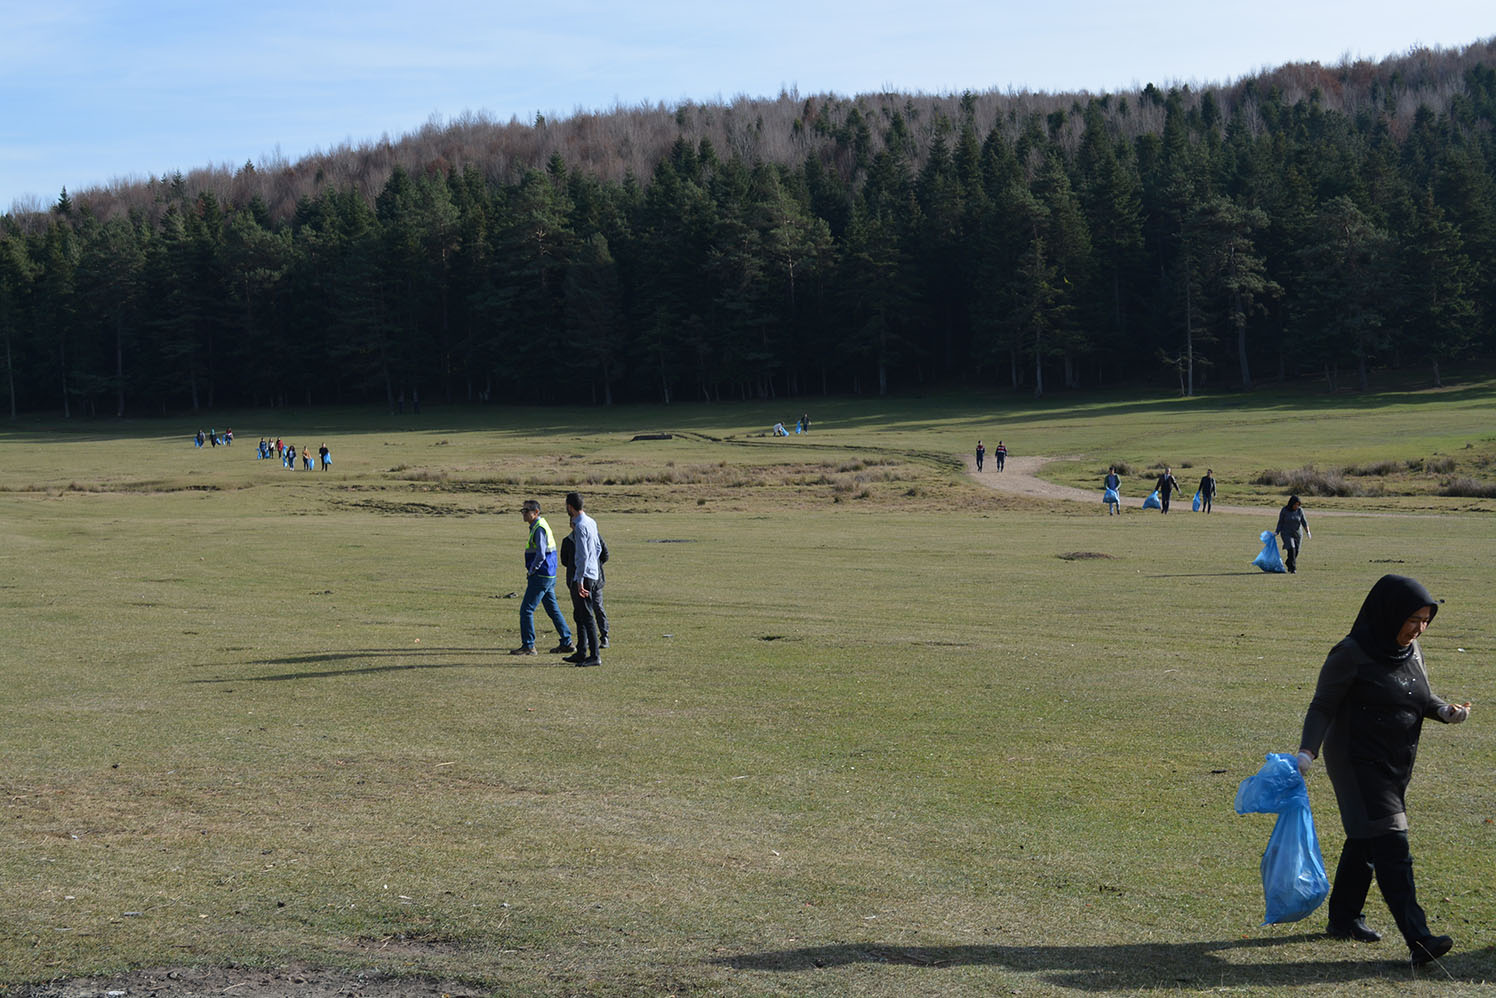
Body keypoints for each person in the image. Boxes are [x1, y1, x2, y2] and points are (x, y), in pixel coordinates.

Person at [1296, 575, 1470, 965]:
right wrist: (1308, 751)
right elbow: (1322, 705)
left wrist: (1444, 711)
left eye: (1426, 620)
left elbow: (1417, 694)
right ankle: (1419, 938)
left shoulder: (1411, 650)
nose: (1419, 628)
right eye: (1413, 620)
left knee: (1364, 838)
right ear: (1389, 613)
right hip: (1358, 765)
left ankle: (1343, 919)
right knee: (1392, 843)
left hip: (1394, 763)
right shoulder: (1350, 653)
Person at [511, 500, 574, 656]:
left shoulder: (539, 528)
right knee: (553, 610)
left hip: (541, 575)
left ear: (536, 512)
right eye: (523, 510)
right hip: (549, 574)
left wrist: (532, 570)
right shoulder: (540, 526)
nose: (523, 513)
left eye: (526, 510)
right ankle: (567, 642)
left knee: (526, 610)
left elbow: (540, 554)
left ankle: (529, 646)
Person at [565, 492, 603, 667]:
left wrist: (579, 579)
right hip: (593, 573)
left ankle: (594, 655)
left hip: (584, 576)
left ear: (570, 507)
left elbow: (582, 555)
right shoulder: (591, 522)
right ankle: (581, 652)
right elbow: (597, 548)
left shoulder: (579, 526)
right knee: (579, 615)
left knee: (586, 616)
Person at [1277, 495, 1310, 573]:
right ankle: (1293, 568)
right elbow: (1280, 522)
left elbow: (1304, 522)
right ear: (1291, 504)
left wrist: (1308, 532)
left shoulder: (1300, 511)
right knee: (1292, 549)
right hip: (1286, 533)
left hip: (1297, 534)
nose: (1296, 506)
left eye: (1298, 505)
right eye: (1295, 504)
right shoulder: (1284, 510)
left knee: (1296, 551)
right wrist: (1277, 531)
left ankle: (1288, 562)